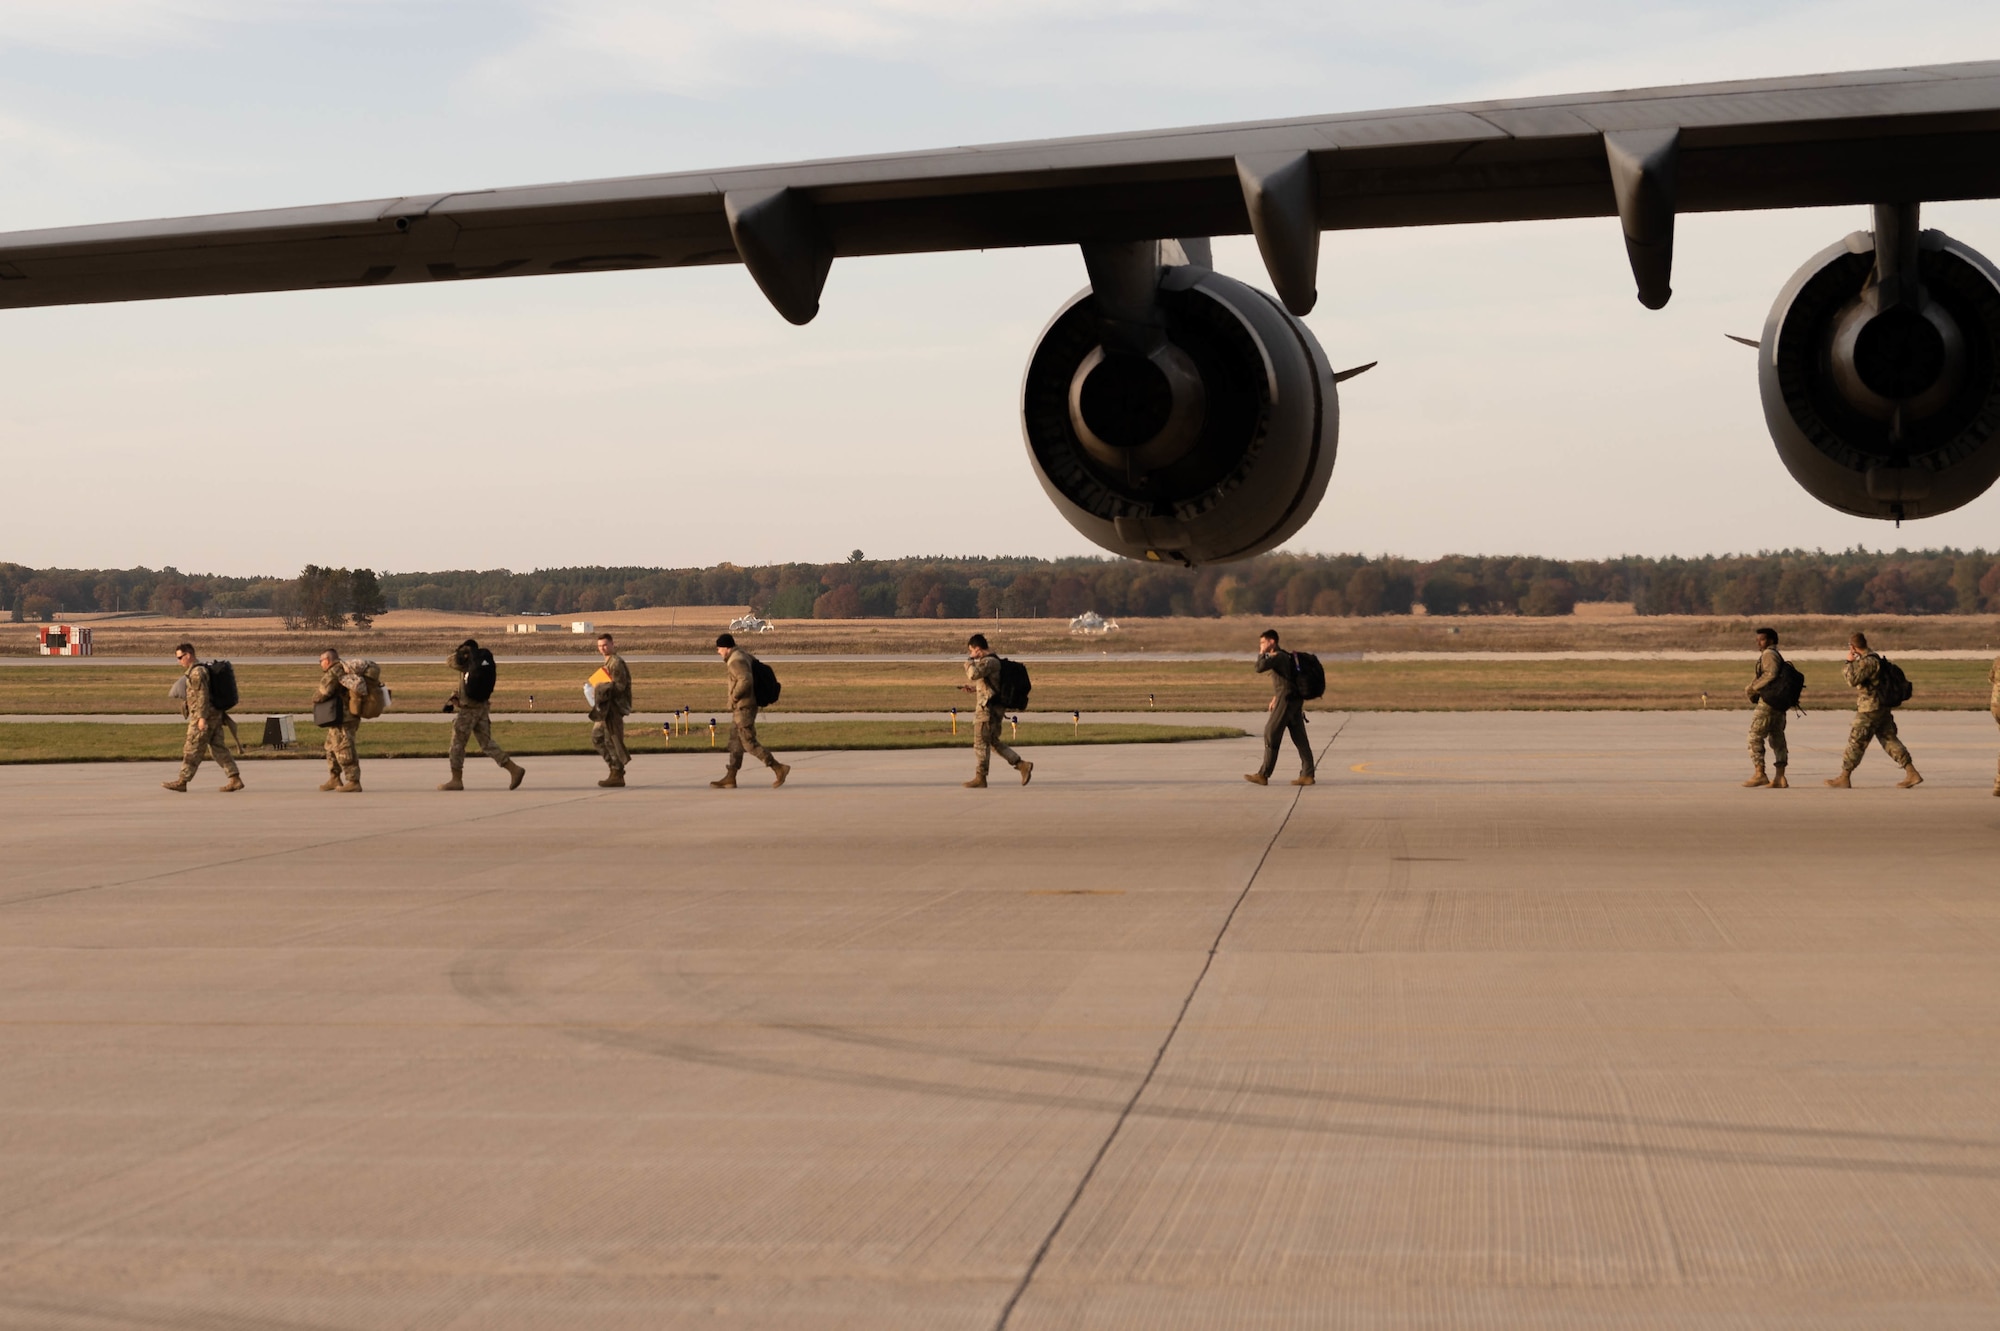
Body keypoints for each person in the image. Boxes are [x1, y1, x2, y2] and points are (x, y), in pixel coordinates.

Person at [1827, 631, 1921, 789]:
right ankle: (1911, 773)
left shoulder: (1868, 661)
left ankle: (1844, 777)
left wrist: (1848, 662)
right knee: (1889, 739)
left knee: (1856, 741)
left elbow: (1852, 680)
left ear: (1853, 647)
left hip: (1870, 708)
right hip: (1880, 707)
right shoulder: (1875, 658)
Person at [440, 638, 525, 792]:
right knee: (487, 743)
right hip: (482, 708)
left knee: (457, 744)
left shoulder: (465, 664)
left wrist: (461, 652)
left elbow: (449, 661)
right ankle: (514, 769)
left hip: (468, 711)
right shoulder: (479, 664)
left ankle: (456, 779)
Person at [711, 632, 790, 789]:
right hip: (742, 707)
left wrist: (734, 696)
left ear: (726, 648)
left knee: (748, 742)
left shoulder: (735, 660)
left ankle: (778, 767)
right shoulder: (742, 655)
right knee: (735, 741)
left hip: (744, 707)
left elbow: (745, 679)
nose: (718, 652)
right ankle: (731, 776)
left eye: (719, 648)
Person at [162, 642, 243, 793]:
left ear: (188, 655)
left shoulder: (197, 673)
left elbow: (202, 697)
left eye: (180, 657)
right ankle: (235, 778)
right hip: (214, 715)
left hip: (204, 716)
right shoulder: (201, 669)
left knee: (192, 748)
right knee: (218, 748)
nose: (179, 661)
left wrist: (201, 718)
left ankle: (182, 781)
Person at [958, 633, 1032, 788]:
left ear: (977, 649)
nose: (971, 654)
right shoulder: (994, 662)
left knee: (980, 743)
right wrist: (974, 689)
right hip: (994, 709)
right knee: (993, 742)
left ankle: (981, 777)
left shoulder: (989, 661)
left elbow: (973, 674)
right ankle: (1021, 764)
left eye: (971, 651)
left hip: (987, 711)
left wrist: (968, 663)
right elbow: (991, 684)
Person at [1246, 628, 1313, 786]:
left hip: (1287, 700)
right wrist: (1276, 697)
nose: (1261, 645)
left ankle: (1263, 774)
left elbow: (1259, 667)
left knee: (1271, 732)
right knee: (1300, 738)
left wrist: (1262, 653)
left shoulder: (1278, 656)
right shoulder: (1285, 656)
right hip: (1293, 699)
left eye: (1263, 642)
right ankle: (1308, 774)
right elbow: (1287, 679)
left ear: (1272, 642)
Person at [1743, 626, 1790, 788]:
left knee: (1754, 737)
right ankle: (1780, 777)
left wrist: (1752, 687)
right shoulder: (1776, 654)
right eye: (1757, 640)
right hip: (1778, 703)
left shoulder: (1769, 654)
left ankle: (1760, 773)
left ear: (1770, 640)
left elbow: (1771, 674)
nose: (1758, 643)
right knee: (1777, 738)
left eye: (1761, 639)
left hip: (1768, 704)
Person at [313, 647, 362, 792]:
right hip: (338, 716)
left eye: (321, 661)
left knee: (344, 748)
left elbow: (323, 692)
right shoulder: (343, 669)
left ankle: (353, 781)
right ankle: (334, 778)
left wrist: (315, 698)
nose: (320, 664)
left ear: (327, 661)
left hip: (344, 717)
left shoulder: (334, 672)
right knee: (330, 747)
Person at [589, 632, 633, 788]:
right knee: (598, 738)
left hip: (613, 708)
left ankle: (617, 772)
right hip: (606, 708)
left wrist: (600, 687)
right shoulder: (608, 663)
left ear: (613, 645)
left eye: (605, 645)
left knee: (609, 739)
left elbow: (620, 686)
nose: (603, 648)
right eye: (600, 646)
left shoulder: (616, 663)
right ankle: (614, 769)